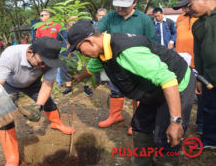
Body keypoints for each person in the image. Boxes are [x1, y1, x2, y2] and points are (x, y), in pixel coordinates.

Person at [69, 20, 195, 165]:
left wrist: (175, 121)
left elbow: (168, 79)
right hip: (154, 89)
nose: (82, 54)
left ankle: (165, 161)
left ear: (89, 41)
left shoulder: (127, 51)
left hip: (177, 85)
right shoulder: (103, 50)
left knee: (165, 137)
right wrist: (79, 77)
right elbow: (93, 67)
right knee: (140, 125)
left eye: (79, 49)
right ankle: (142, 162)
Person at [0, 37, 75, 165]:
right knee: (4, 118)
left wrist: (38, 106)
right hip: (10, 84)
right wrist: (2, 99)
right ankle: (11, 157)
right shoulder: (10, 54)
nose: (44, 66)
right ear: (30, 53)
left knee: (48, 103)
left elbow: (47, 85)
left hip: (32, 83)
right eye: (42, 63)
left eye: (47, 64)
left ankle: (56, 123)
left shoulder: (50, 61)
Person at [95, 0, 156, 135]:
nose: (119, 8)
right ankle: (115, 116)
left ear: (134, 3)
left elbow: (152, 42)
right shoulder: (110, 17)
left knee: (139, 92)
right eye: (117, 5)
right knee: (115, 89)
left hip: (138, 63)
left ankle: (138, 122)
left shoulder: (144, 19)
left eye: (124, 5)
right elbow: (97, 32)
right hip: (115, 61)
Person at [173, 0, 216, 149]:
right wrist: (200, 78)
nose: (187, 10)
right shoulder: (198, 25)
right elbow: (198, 55)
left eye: (189, 5)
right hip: (210, 78)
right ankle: (211, 140)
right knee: (209, 108)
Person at [175, 11, 202, 134]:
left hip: (198, 61)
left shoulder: (202, 17)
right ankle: (180, 124)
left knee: (201, 94)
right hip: (182, 63)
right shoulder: (180, 18)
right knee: (183, 95)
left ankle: (202, 124)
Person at [59, 15, 93, 96]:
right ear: (67, 21)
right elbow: (59, 39)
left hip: (79, 52)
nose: (73, 22)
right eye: (71, 20)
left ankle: (86, 87)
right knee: (66, 69)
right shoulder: (62, 30)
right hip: (66, 53)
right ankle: (68, 87)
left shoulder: (81, 29)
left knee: (83, 68)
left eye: (75, 20)